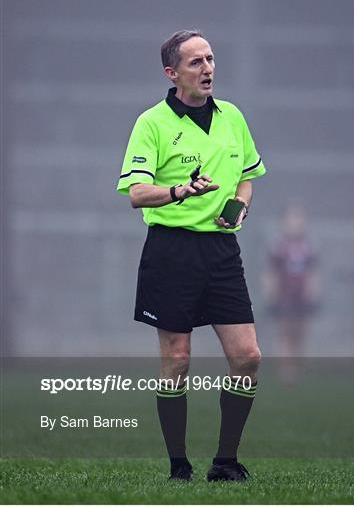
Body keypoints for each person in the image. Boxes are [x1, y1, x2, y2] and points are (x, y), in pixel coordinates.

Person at [117, 30, 266, 481]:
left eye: (211, 59)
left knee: (248, 357)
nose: (208, 69)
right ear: (172, 72)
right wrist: (181, 190)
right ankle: (178, 465)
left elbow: (247, 176)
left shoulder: (233, 117)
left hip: (221, 251)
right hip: (171, 251)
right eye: (196, 62)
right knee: (177, 360)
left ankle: (225, 461)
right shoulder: (152, 123)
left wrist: (239, 207)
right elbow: (137, 193)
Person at [262, 202, 320, 383]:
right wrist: (271, 294)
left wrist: (314, 292)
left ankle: (298, 366)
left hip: (301, 295)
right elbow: (270, 272)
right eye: (292, 218)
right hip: (284, 295)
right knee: (285, 331)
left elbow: (314, 272)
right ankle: (286, 370)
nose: (296, 222)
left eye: (299, 218)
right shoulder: (278, 245)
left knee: (300, 331)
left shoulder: (309, 245)